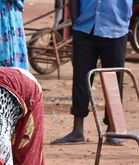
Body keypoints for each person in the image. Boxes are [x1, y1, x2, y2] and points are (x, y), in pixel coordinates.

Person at [51, 0, 133, 145]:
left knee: (114, 80)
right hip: (85, 27)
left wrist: (123, 11)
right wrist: (76, 22)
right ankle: (77, 130)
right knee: (81, 78)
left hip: (115, 27)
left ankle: (113, 129)